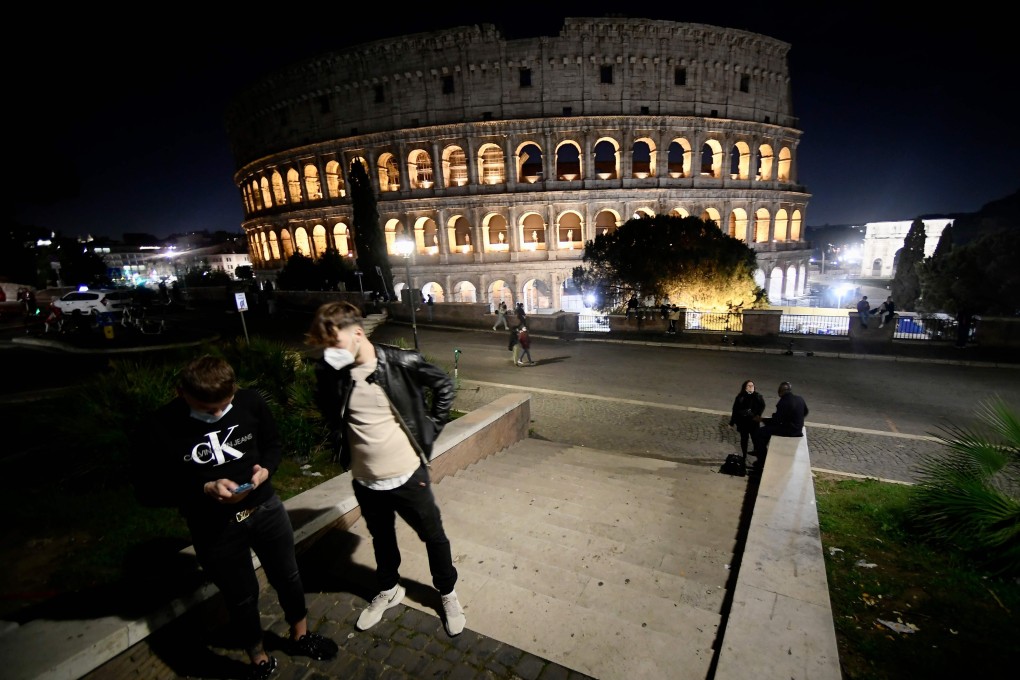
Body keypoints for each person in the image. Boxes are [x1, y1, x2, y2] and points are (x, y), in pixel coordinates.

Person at [132, 355, 338, 680]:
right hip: (214, 528)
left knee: (289, 577)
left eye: (223, 406)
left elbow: (272, 444)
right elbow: (148, 490)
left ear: (234, 390)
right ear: (180, 392)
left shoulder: (250, 402)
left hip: (265, 509)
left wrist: (265, 470)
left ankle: (300, 635)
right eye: (206, 408)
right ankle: (257, 656)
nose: (216, 415)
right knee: (241, 597)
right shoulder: (159, 426)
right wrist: (203, 488)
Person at [305, 302, 466, 637]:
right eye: (326, 346)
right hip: (365, 480)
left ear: (358, 334)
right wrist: (330, 368)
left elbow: (444, 387)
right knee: (381, 538)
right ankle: (389, 589)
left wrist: (430, 430)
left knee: (433, 537)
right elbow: (328, 409)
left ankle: (447, 594)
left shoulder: (401, 362)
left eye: (334, 344)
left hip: (408, 476)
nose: (330, 352)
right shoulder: (335, 374)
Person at [751, 381, 809, 469]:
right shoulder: (799, 398)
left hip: (789, 431)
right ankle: (760, 451)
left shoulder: (783, 402)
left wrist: (761, 419)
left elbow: (776, 421)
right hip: (797, 429)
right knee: (767, 430)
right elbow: (805, 412)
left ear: (781, 392)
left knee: (759, 433)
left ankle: (762, 460)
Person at [728, 379, 766, 458]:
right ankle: (744, 455)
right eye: (749, 386)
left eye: (752, 386)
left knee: (755, 439)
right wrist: (732, 422)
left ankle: (758, 455)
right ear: (745, 387)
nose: (751, 387)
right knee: (744, 439)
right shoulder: (740, 397)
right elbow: (735, 409)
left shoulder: (757, 396)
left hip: (753, 422)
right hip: (743, 422)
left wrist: (757, 414)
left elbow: (762, 406)